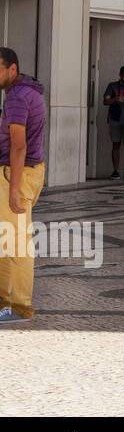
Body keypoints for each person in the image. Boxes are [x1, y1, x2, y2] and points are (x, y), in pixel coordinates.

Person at [0, 47, 45, 323]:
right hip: (25, 171)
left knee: (15, 242)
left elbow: (19, 146)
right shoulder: (28, 92)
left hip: (16, 174)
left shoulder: (16, 98)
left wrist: (14, 189)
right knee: (7, 238)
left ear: (12, 69)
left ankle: (18, 306)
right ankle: (7, 301)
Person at [102, 64, 124, 179]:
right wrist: (116, 99)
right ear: (120, 75)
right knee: (116, 145)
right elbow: (105, 102)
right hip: (115, 119)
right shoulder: (112, 86)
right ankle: (115, 170)